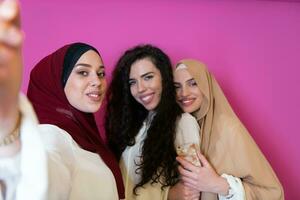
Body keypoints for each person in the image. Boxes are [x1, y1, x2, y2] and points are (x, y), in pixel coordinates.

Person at [173, 59, 284, 200]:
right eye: (177, 87)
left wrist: (219, 185)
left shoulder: (229, 129)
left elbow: (272, 192)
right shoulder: (175, 129)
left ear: (206, 86)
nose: (184, 93)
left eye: (193, 83)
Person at [26, 42, 125, 199]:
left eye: (100, 74)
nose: (97, 82)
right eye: (83, 72)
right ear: (58, 81)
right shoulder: (49, 134)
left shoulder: (84, 136)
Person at [105, 44, 201, 200]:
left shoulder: (183, 123)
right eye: (132, 82)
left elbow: (192, 189)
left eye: (148, 77)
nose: (140, 88)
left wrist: (169, 195)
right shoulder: (134, 125)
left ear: (164, 77)